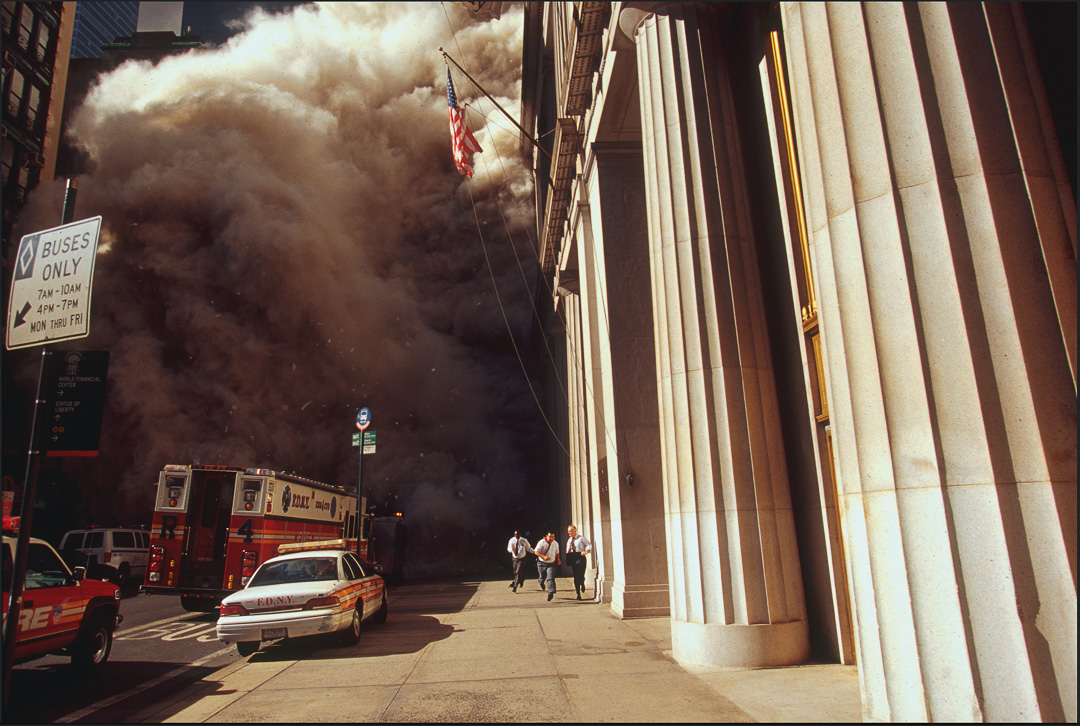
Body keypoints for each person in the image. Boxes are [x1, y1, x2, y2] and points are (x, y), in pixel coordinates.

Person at [565, 525, 592, 600]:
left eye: (570, 531)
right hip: (573, 558)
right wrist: (568, 551)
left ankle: (582, 583)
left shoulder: (581, 538)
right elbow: (567, 550)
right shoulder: (569, 540)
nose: (569, 533)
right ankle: (578, 594)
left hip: (581, 557)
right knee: (576, 576)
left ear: (575, 531)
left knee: (581, 574)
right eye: (568, 531)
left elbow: (589, 545)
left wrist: (586, 551)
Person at [534, 531, 561, 601]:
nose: (552, 538)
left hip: (551, 563)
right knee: (542, 576)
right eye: (550, 537)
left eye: (553, 537)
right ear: (546, 536)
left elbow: (557, 553)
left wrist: (558, 559)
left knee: (550, 577)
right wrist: (543, 556)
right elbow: (536, 552)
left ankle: (551, 592)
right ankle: (541, 582)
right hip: (541, 563)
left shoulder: (555, 543)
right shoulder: (541, 542)